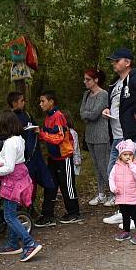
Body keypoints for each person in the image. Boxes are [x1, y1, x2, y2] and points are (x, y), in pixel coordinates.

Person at [100, 48, 136, 226]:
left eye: (117, 61)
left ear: (127, 62)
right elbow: (119, 105)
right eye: (113, 61)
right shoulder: (116, 82)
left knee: (134, 175)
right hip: (118, 136)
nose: (113, 64)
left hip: (132, 135)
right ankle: (124, 211)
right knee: (117, 174)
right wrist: (108, 110)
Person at [0, 111, 43, 262]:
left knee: (9, 215)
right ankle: (12, 243)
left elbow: (10, 167)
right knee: (11, 212)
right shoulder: (19, 139)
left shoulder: (10, 142)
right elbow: (12, 161)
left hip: (12, 181)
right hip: (18, 177)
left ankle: (29, 243)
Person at [37, 90, 81, 226]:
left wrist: (42, 134)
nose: (40, 104)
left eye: (43, 101)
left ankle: (74, 212)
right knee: (50, 185)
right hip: (53, 157)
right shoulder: (48, 117)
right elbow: (47, 134)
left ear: (51, 102)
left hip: (64, 157)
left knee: (67, 186)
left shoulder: (58, 116)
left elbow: (59, 138)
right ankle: (47, 215)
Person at [7, 92, 56, 201]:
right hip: (22, 158)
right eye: (21, 101)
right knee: (27, 185)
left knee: (48, 181)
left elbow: (36, 128)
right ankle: (26, 209)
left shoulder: (27, 115)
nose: (24, 103)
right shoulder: (9, 117)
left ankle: (47, 210)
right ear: (14, 103)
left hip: (35, 155)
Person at [79, 68, 112, 207]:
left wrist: (89, 114)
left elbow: (93, 114)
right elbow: (82, 113)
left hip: (101, 135)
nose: (85, 82)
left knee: (104, 165)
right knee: (96, 166)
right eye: (85, 79)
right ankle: (101, 193)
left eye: (88, 79)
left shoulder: (103, 94)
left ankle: (114, 193)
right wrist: (89, 114)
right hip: (90, 135)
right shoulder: (86, 94)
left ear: (96, 80)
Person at [109, 140, 136, 245]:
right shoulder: (116, 166)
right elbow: (111, 178)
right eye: (125, 154)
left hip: (132, 196)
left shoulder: (135, 164)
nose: (128, 157)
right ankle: (126, 231)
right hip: (121, 196)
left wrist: (132, 165)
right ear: (120, 155)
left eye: (130, 154)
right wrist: (113, 188)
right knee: (124, 215)